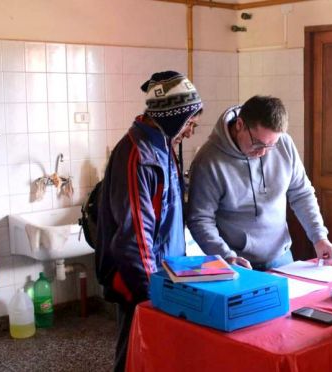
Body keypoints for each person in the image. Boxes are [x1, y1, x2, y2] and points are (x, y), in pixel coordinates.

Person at [95, 71, 202, 372]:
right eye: (189, 122)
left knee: (154, 354)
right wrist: (150, 292)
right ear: (171, 117)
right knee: (133, 354)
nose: (191, 131)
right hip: (139, 279)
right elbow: (135, 234)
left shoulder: (161, 146)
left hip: (163, 274)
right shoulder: (137, 154)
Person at [187, 95, 332, 270]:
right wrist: (226, 256)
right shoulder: (208, 160)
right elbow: (200, 219)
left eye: (271, 145)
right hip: (237, 263)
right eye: (258, 144)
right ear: (240, 125)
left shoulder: (285, 144)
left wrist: (319, 237)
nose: (263, 153)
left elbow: (302, 193)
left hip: (281, 257)